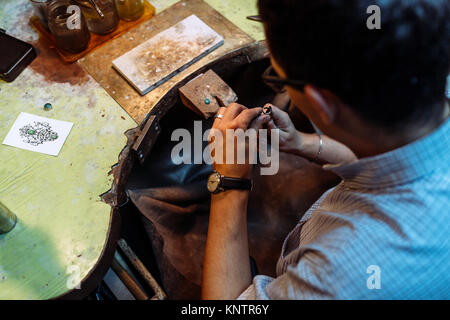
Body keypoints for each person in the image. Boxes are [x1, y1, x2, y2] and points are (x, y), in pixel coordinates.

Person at [201, 0, 450, 299]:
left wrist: (229, 183)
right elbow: (394, 158)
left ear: (321, 104)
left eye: (278, 76)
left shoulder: (344, 274)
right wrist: (303, 143)